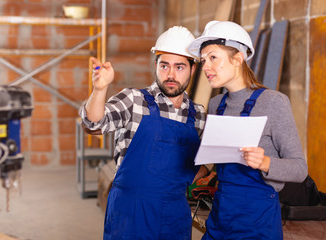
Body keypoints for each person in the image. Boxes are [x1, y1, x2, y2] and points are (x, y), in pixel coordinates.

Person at [80, 26, 206, 240]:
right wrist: (100, 90)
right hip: (130, 214)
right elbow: (93, 124)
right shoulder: (134, 100)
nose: (171, 75)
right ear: (156, 65)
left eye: (180, 67)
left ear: (193, 69)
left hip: (175, 216)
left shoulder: (198, 115)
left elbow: (196, 166)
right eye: (164, 65)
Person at [187, 21, 308, 239]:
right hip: (220, 217)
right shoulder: (217, 105)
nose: (205, 67)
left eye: (213, 57)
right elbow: (215, 161)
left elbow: (300, 169)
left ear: (238, 58)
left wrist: (265, 163)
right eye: (204, 59)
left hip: (257, 224)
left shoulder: (274, 102)